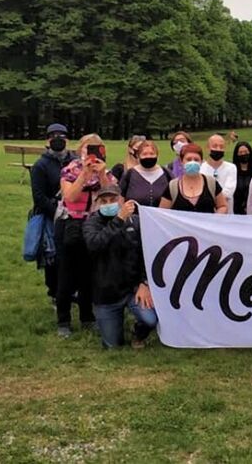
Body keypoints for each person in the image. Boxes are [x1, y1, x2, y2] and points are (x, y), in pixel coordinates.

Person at [57, 134, 119, 338]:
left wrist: (101, 174)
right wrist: (84, 173)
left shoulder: (106, 172)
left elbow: (112, 197)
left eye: (95, 148)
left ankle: (87, 316)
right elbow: (70, 196)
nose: (90, 152)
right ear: (80, 150)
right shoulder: (70, 170)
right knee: (67, 274)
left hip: (95, 225)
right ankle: (63, 320)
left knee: (89, 274)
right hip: (72, 223)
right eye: (87, 148)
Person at [82, 184, 157, 349]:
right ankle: (112, 325)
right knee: (112, 345)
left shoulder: (135, 222)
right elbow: (95, 244)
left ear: (121, 200)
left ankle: (138, 332)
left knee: (150, 320)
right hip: (106, 294)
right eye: (104, 201)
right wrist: (118, 220)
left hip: (132, 289)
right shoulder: (91, 224)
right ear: (97, 203)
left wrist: (144, 283)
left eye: (113, 200)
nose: (109, 204)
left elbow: (146, 254)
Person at [30, 123, 77, 303]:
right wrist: (57, 212)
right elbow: (39, 197)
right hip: (51, 217)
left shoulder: (75, 162)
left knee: (73, 254)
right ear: (47, 140)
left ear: (67, 140)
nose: (58, 139)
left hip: (75, 215)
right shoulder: (40, 166)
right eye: (53, 136)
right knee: (53, 257)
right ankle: (55, 293)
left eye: (62, 136)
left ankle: (72, 289)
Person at [159, 144, 228, 213]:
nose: (193, 162)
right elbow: (163, 212)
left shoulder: (211, 182)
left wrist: (217, 217)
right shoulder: (173, 186)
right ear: (182, 162)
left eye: (196, 160)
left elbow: (222, 206)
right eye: (188, 159)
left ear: (201, 162)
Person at [119, 140, 170, 209]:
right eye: (144, 154)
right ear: (138, 156)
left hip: (160, 215)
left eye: (152, 154)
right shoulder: (130, 174)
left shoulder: (166, 173)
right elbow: (120, 198)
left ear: (157, 155)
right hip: (135, 215)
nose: (148, 157)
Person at [201, 133, 238, 213]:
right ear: (207, 148)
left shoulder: (231, 168)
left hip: (227, 215)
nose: (218, 149)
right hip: (205, 214)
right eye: (215, 146)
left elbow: (228, 192)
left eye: (221, 147)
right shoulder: (201, 169)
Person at [232, 142, 252, 215]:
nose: (243, 154)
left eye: (246, 152)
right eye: (240, 152)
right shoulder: (232, 172)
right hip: (235, 211)